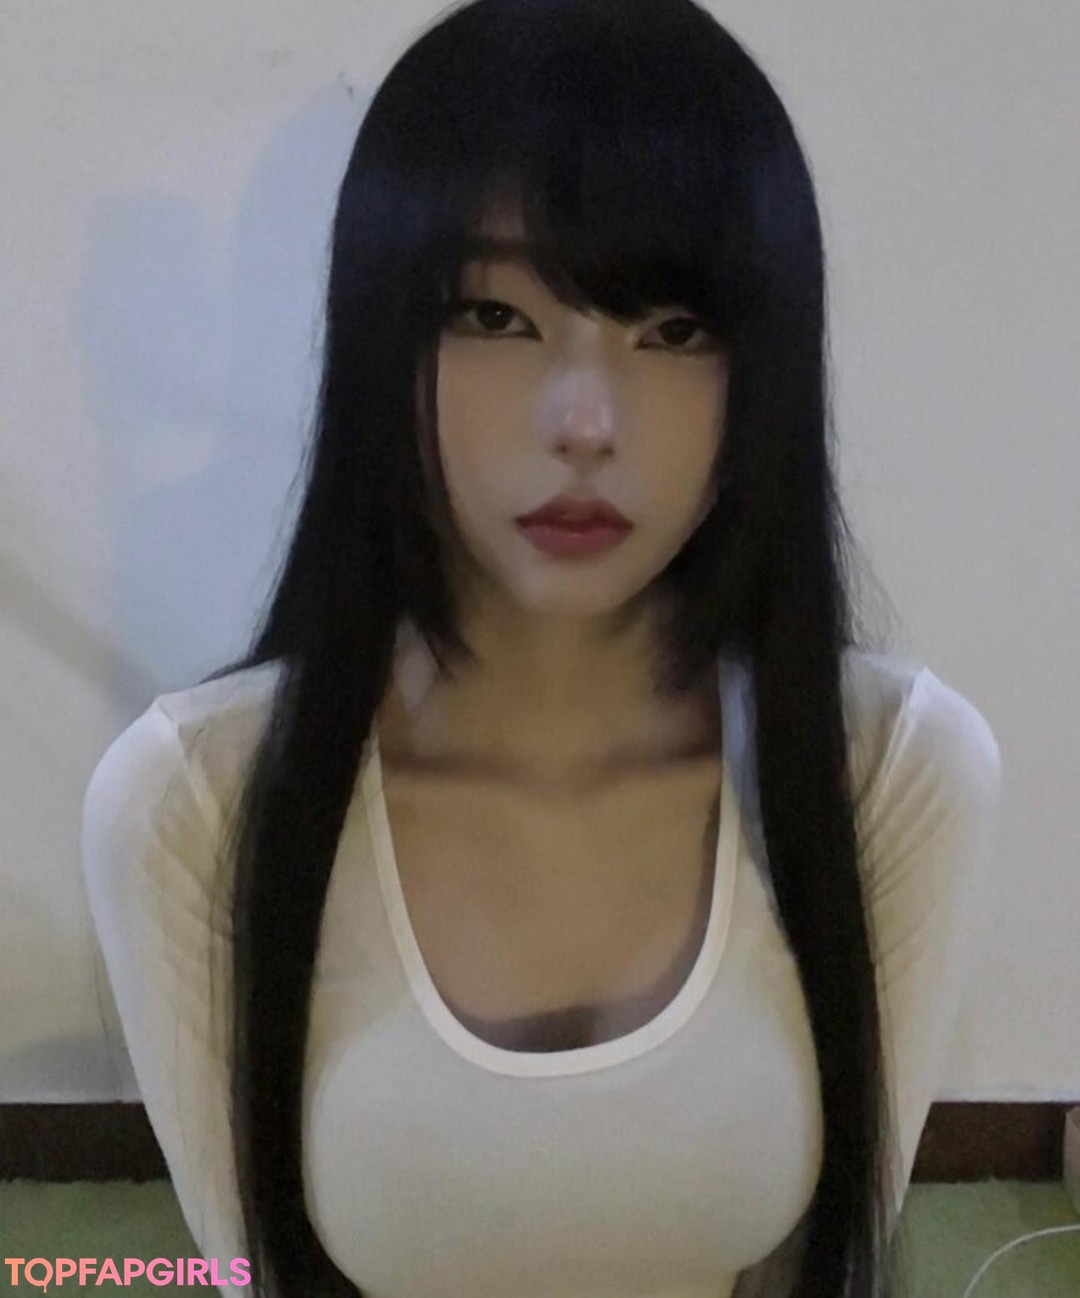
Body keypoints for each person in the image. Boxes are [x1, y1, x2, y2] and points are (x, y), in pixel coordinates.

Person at [80, 0, 1004, 1295]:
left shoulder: (892, 771)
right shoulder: (193, 804)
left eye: (673, 330)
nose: (584, 420)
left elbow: (829, 1266)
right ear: (382, 341)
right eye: (493, 316)